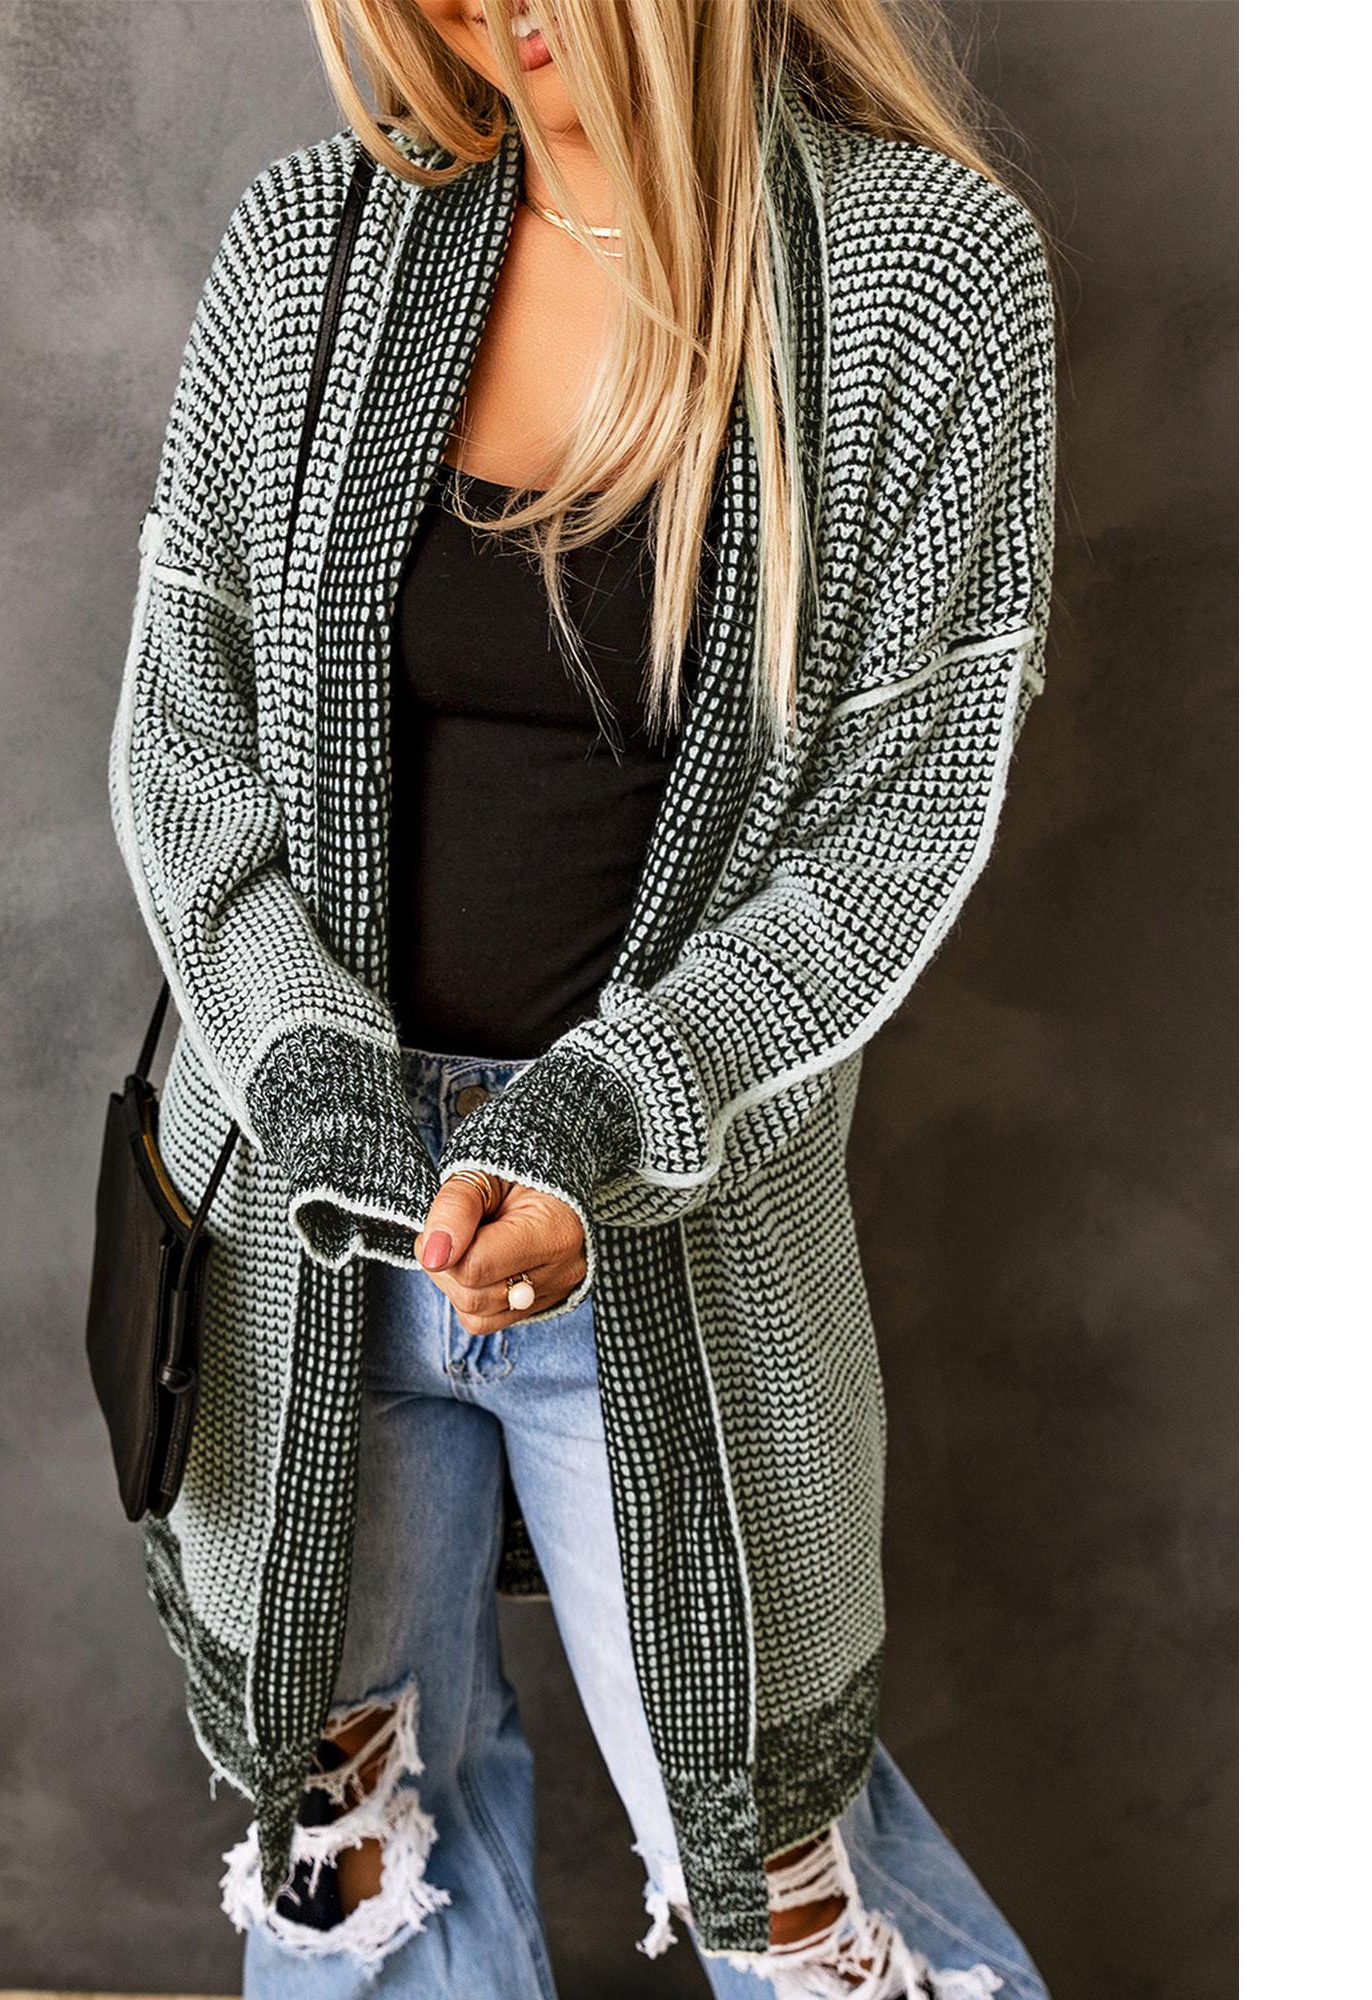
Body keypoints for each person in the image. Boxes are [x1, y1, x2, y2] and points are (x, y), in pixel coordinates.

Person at [107, 0, 1059, 1992]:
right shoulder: (315, 242)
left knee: (796, 1897)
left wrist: (600, 1124)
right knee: (357, 1853)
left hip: (669, 1235)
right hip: (306, 1225)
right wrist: (305, 1066)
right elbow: (186, 741)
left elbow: (890, 826)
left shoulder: (918, 278)